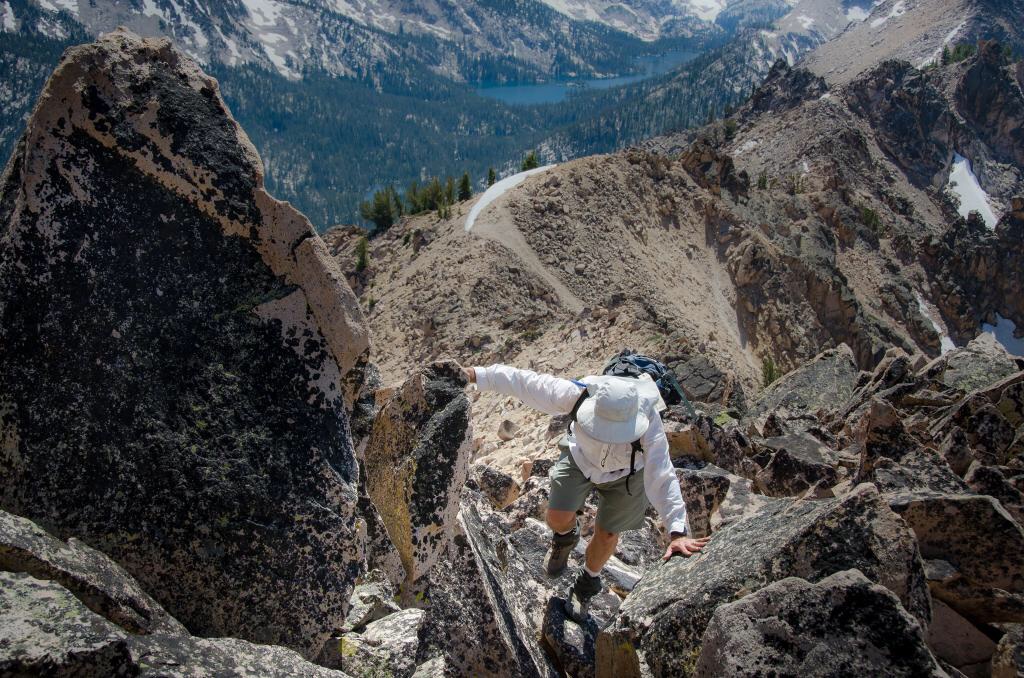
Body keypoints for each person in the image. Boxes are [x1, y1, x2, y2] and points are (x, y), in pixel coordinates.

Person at [463, 364, 710, 620]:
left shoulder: (649, 420)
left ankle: (587, 583)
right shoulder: (576, 394)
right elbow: (525, 382)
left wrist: (677, 532)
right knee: (557, 517)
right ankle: (565, 536)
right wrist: (476, 374)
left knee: (608, 533)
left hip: (628, 473)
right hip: (581, 459)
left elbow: (662, 474)